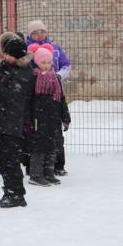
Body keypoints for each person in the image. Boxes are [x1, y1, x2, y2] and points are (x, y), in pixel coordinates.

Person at [0, 32, 36, 208]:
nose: (4, 56)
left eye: (8, 54)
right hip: (0, 119)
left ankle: (17, 193)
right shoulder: (6, 66)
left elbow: (13, 96)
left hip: (12, 122)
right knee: (1, 155)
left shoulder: (24, 72)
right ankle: (9, 189)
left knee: (10, 158)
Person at [27, 20, 73, 175]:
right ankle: (36, 168)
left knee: (56, 134)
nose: (39, 35)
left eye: (42, 31)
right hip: (37, 97)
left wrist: (58, 76)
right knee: (37, 134)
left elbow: (66, 65)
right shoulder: (27, 50)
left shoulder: (55, 48)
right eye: (35, 32)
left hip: (54, 91)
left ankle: (58, 165)